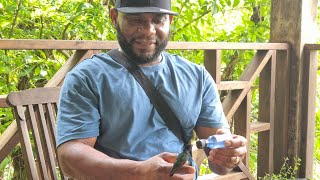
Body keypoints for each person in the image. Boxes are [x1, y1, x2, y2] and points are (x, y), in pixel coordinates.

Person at [56, 0, 248, 179]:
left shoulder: (197, 76)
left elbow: (220, 165)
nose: (148, 31)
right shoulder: (87, 77)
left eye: (158, 20)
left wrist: (228, 154)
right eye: (135, 20)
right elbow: (70, 157)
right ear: (114, 18)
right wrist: (138, 172)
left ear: (170, 20)